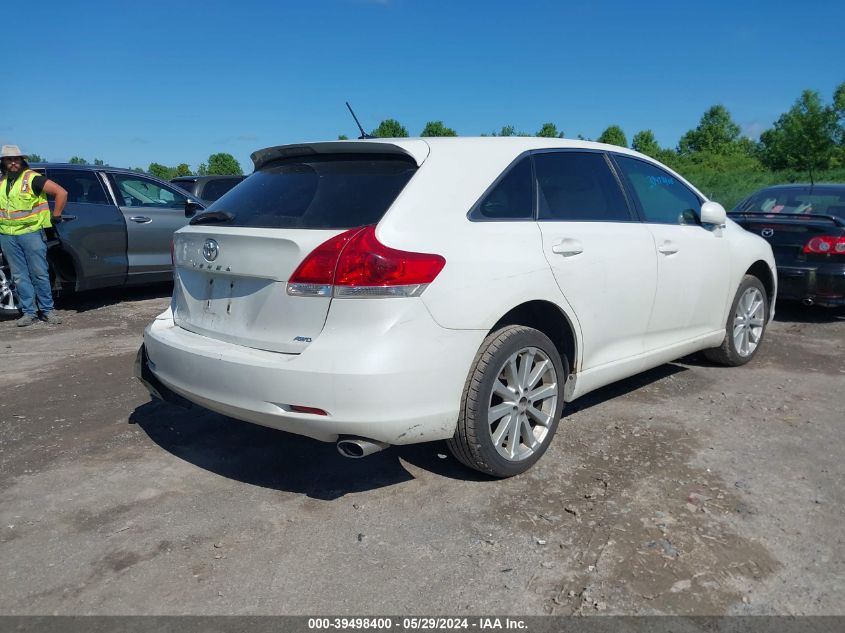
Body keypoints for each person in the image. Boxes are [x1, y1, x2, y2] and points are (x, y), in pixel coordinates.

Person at [0, 144, 67, 326]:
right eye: (9, 159)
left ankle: (48, 311)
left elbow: (61, 192)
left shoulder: (32, 178)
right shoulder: (3, 182)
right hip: (7, 235)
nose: (13, 163)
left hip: (31, 233)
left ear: (22, 160)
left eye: (16, 159)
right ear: (3, 162)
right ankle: (29, 312)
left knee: (39, 273)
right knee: (19, 275)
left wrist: (56, 215)